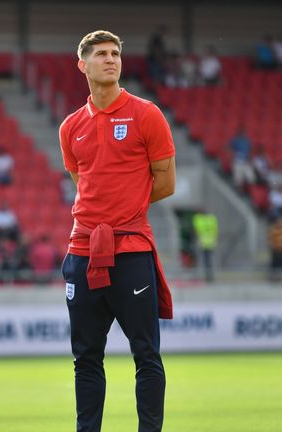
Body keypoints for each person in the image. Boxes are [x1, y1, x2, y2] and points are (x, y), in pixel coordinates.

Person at [59, 30, 175, 432]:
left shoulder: (147, 114)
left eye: (115, 54)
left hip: (131, 251)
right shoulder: (71, 126)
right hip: (82, 251)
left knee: (145, 353)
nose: (111, 60)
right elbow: (82, 181)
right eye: (101, 54)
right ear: (83, 64)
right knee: (86, 358)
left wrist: (126, 210)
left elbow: (166, 182)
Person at [192, 209, 218, 283]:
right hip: (211, 243)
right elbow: (215, 231)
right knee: (209, 262)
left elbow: (195, 231)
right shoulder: (212, 219)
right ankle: (209, 277)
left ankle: (202, 277)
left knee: (201, 261)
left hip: (201, 243)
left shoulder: (198, 220)